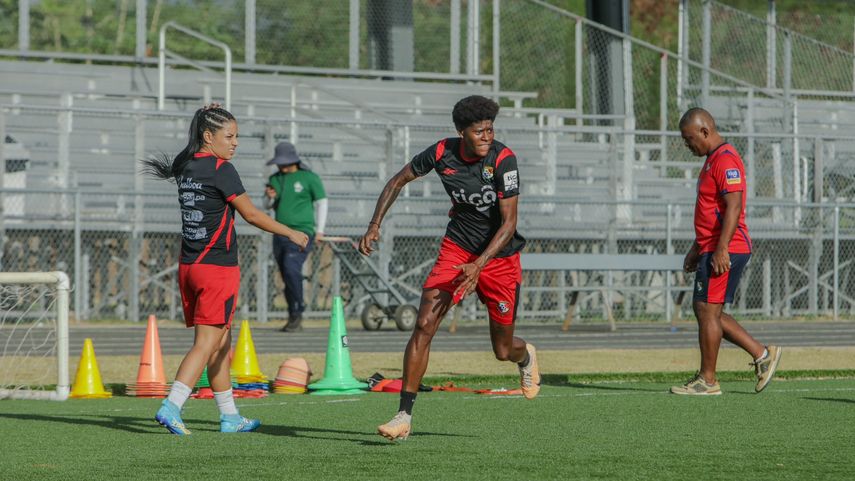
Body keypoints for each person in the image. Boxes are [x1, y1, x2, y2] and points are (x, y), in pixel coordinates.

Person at [358, 95, 540, 441]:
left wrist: (479, 264)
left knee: (502, 350)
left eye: (490, 130)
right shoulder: (442, 152)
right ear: (461, 132)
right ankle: (403, 415)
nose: (487, 136)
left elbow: (509, 223)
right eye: (479, 131)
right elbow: (398, 180)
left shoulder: (504, 160)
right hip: (457, 249)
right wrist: (374, 224)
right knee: (424, 323)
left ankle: (525, 356)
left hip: (499, 259)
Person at [141, 104, 308, 434]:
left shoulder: (186, 164)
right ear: (208, 136)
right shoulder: (222, 170)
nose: (235, 144)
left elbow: (191, 151)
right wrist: (291, 232)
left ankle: (229, 416)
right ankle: (171, 405)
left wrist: (204, 113)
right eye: (229, 136)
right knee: (206, 343)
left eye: (237, 137)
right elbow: (252, 215)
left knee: (221, 344)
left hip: (190, 266)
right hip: (216, 268)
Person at [672, 107, 782, 396]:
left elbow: (733, 206)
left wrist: (720, 249)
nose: (687, 145)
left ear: (705, 131)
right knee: (710, 311)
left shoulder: (725, 158)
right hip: (713, 246)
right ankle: (762, 355)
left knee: (707, 309)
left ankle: (707, 380)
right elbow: (711, 212)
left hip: (727, 247)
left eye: (689, 138)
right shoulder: (711, 160)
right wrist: (696, 248)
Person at [264, 141, 328, 332]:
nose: (281, 166)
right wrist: (270, 197)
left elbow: (322, 202)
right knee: (285, 272)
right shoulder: (275, 178)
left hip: (302, 233)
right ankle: (293, 314)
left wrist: (320, 230)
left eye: (284, 162)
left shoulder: (309, 178)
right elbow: (267, 205)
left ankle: (298, 307)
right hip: (280, 233)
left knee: (291, 268)